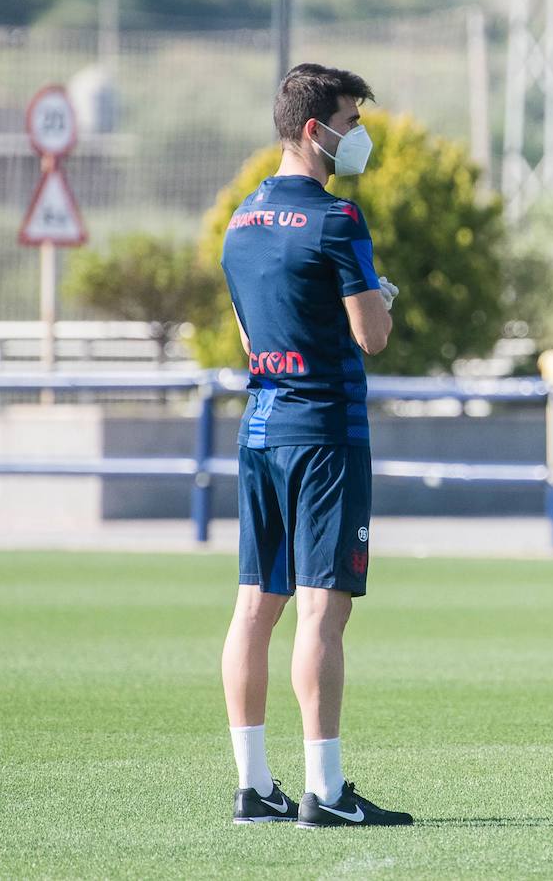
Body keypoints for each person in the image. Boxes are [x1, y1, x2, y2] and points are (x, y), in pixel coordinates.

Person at [219, 63, 409, 829]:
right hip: (326, 434)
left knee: (253, 611)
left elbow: (249, 335)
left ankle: (253, 787)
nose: (358, 135)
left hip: (260, 430)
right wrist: (380, 299)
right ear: (314, 130)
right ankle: (325, 792)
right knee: (322, 616)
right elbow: (373, 336)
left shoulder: (240, 219)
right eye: (352, 121)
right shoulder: (339, 220)